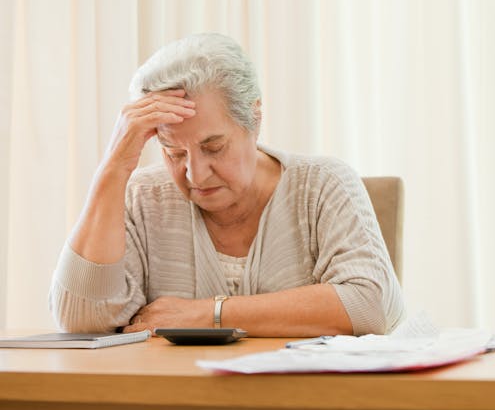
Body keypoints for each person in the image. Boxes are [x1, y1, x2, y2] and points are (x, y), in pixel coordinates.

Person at [49, 33, 405, 337]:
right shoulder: (142, 196)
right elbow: (80, 320)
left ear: (255, 119)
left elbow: (368, 305)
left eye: (213, 147)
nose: (195, 174)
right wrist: (114, 167)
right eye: (173, 153)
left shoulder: (323, 185)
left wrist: (208, 314)